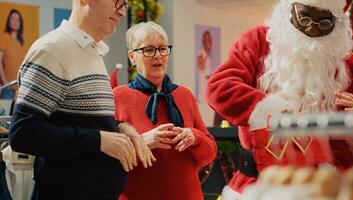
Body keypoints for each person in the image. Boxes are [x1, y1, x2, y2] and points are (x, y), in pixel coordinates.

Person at [206, 0, 353, 199]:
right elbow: (219, 88)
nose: (311, 27)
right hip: (260, 183)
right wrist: (271, 110)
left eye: (324, 23)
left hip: (326, 186)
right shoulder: (258, 41)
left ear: (337, 23)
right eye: (304, 17)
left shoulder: (349, 66)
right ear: (290, 8)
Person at [8, 0, 154, 199]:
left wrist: (121, 127)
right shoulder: (52, 50)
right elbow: (23, 133)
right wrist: (100, 141)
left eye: (126, 3)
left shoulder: (91, 51)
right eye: (117, 1)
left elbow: (82, 119)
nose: (122, 11)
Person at [113, 21, 217, 200]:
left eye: (162, 49)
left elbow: (209, 155)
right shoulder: (118, 97)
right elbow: (108, 161)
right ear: (132, 57)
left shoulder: (184, 94)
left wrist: (194, 137)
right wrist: (142, 142)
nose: (157, 56)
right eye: (148, 50)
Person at [0, 9, 26, 99]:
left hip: (20, 90)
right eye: (12, 19)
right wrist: (5, 82)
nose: (15, 22)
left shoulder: (21, 44)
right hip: (8, 89)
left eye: (18, 20)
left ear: (20, 23)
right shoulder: (4, 37)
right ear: (9, 22)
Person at [197, 30, 213, 103]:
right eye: (206, 39)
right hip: (203, 85)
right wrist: (206, 54)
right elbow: (201, 66)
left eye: (209, 39)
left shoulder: (209, 55)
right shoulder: (200, 53)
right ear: (203, 41)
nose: (208, 41)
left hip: (208, 86)